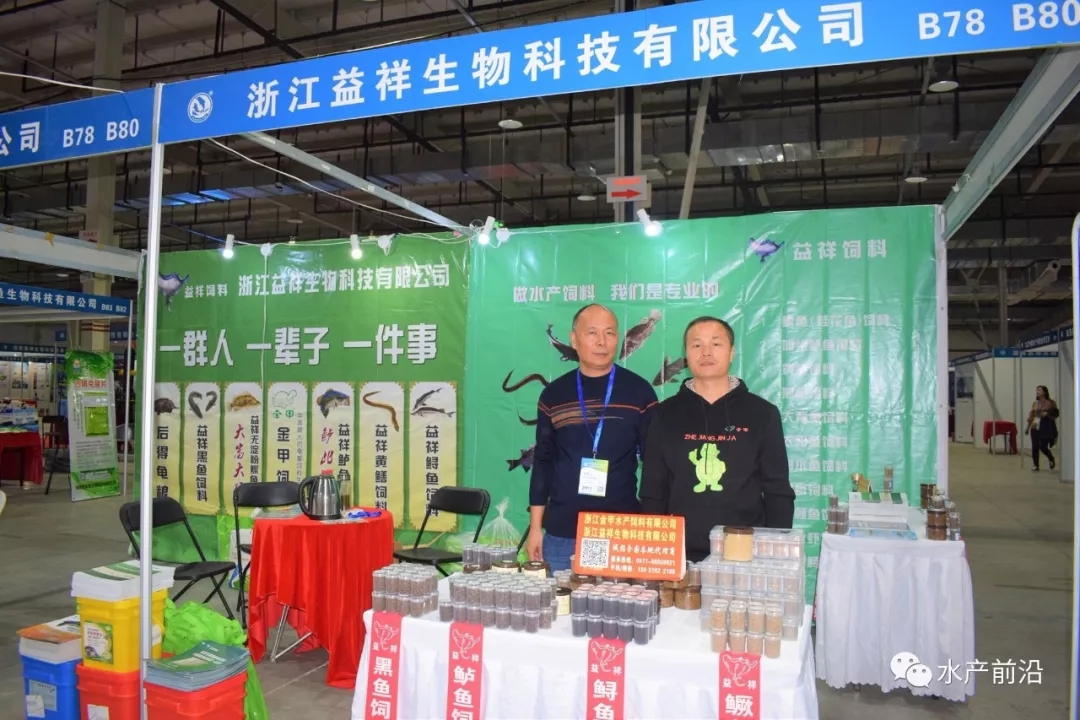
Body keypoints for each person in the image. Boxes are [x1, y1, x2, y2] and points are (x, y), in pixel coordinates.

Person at [639, 316, 795, 562]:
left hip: (745, 553)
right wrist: (654, 553)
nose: (706, 352)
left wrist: (774, 553)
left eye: (716, 344)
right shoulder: (664, 414)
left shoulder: (762, 414)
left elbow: (778, 492)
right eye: (697, 345)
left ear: (731, 352)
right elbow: (653, 492)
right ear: (687, 354)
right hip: (680, 554)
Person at [526, 304, 659, 571]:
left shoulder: (640, 392)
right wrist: (535, 528)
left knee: (618, 599)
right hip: (564, 532)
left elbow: (656, 465)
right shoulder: (554, 394)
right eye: (592, 333)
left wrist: (650, 525)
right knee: (563, 598)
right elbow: (543, 461)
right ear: (574, 339)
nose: (601, 341)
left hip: (621, 529)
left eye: (609, 333)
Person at [1026, 385, 1059, 471]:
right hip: (1035, 426)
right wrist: (1028, 427)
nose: (1037, 392)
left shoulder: (1050, 403)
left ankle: (1050, 458)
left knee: (1043, 446)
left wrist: (1047, 414)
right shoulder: (1035, 403)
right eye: (1037, 390)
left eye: (1039, 390)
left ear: (1044, 392)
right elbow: (1031, 415)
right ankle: (1036, 465)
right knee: (1035, 446)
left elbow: (1056, 413)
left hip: (1045, 427)